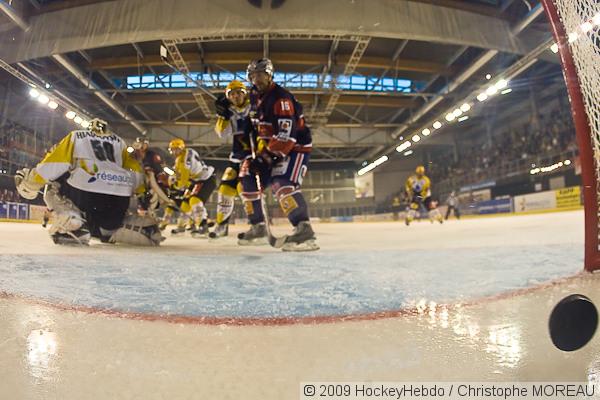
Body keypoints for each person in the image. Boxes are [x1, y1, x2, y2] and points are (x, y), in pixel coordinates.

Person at [14, 118, 163, 245]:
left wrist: (30, 183)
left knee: (53, 183)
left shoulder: (76, 136)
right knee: (108, 222)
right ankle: (126, 229)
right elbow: (136, 173)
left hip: (87, 194)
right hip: (119, 199)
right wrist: (142, 193)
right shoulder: (120, 142)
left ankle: (73, 225)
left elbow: (54, 166)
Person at [239, 58, 318, 251]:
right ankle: (258, 226)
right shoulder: (254, 95)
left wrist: (266, 157)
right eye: (253, 76)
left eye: (261, 75)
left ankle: (304, 230)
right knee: (247, 176)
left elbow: (286, 135)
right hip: (272, 147)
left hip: (295, 147)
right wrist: (248, 123)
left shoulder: (281, 99)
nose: (257, 79)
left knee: (281, 183)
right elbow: (249, 111)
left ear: (270, 75)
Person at [211, 80, 252, 239]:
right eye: (232, 94)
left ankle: (257, 224)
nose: (235, 96)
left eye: (238, 92)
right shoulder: (229, 111)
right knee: (225, 190)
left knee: (245, 189)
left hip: (253, 157)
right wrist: (223, 115)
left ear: (244, 93)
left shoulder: (254, 105)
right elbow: (223, 134)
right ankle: (222, 225)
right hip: (236, 158)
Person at [167, 138, 217, 238]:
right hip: (196, 181)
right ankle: (182, 226)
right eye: (172, 149)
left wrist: (176, 186)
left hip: (206, 179)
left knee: (194, 200)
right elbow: (178, 174)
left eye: (176, 149)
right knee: (185, 204)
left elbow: (184, 178)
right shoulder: (180, 158)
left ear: (181, 148)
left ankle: (203, 226)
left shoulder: (186, 156)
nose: (174, 151)